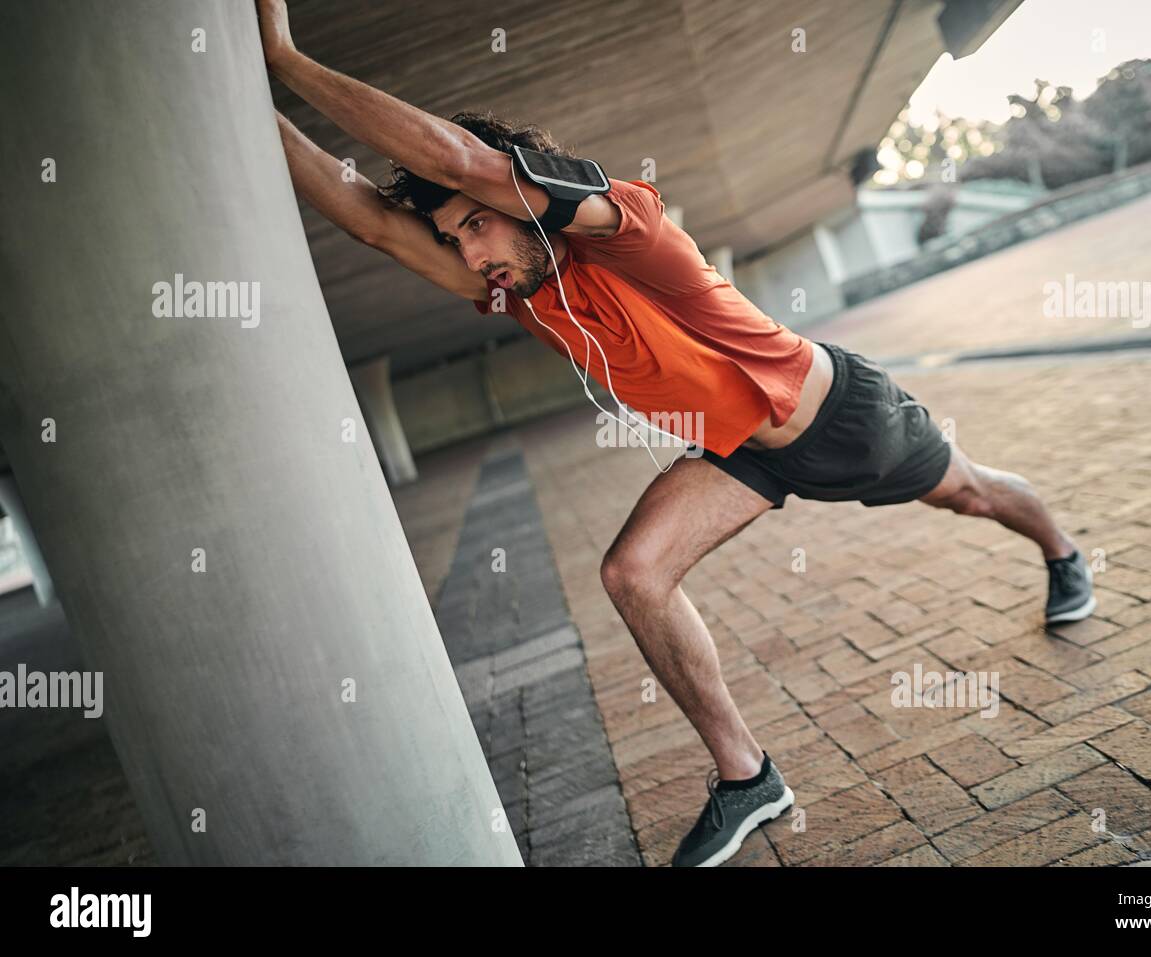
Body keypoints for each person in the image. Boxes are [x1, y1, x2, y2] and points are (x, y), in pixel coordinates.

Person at [256, 0, 1095, 867]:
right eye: (452, 239)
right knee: (633, 572)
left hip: (842, 417)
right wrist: (248, 96)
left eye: (476, 224)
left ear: (521, 200)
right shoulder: (520, 288)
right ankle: (748, 776)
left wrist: (284, 57)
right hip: (739, 453)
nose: (471, 258)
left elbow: (460, 158)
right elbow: (371, 221)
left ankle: (1064, 551)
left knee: (972, 491)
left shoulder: (630, 229)